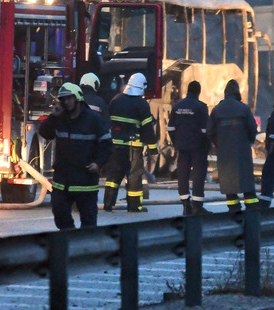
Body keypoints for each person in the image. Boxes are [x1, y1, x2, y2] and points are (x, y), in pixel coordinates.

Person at [38, 83, 112, 230]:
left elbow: (107, 145)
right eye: (62, 99)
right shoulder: (59, 119)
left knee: (88, 222)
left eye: (69, 98)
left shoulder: (93, 119)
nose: (65, 102)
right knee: (59, 214)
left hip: (85, 180)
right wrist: (53, 116)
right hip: (63, 180)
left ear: (78, 98)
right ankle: (70, 239)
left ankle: (84, 248)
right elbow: (45, 133)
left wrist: (98, 163)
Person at [103, 73, 158, 213]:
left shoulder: (116, 100)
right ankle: (134, 206)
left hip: (115, 145)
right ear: (141, 87)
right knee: (134, 176)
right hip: (133, 147)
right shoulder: (142, 104)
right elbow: (148, 129)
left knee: (113, 175)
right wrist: (153, 148)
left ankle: (108, 204)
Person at [207, 79, 260, 212]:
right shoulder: (244, 108)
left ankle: (234, 210)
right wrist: (248, 141)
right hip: (242, 151)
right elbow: (253, 129)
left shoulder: (217, 110)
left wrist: (217, 143)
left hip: (224, 152)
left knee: (229, 183)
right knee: (247, 181)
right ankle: (252, 209)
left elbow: (210, 131)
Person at [167, 80, 211, 215]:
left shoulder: (177, 106)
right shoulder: (201, 107)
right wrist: (207, 145)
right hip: (198, 147)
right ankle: (197, 206)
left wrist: (176, 142)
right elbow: (205, 130)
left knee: (183, 174)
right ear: (198, 92)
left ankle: (186, 205)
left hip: (182, 146)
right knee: (198, 175)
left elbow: (170, 128)